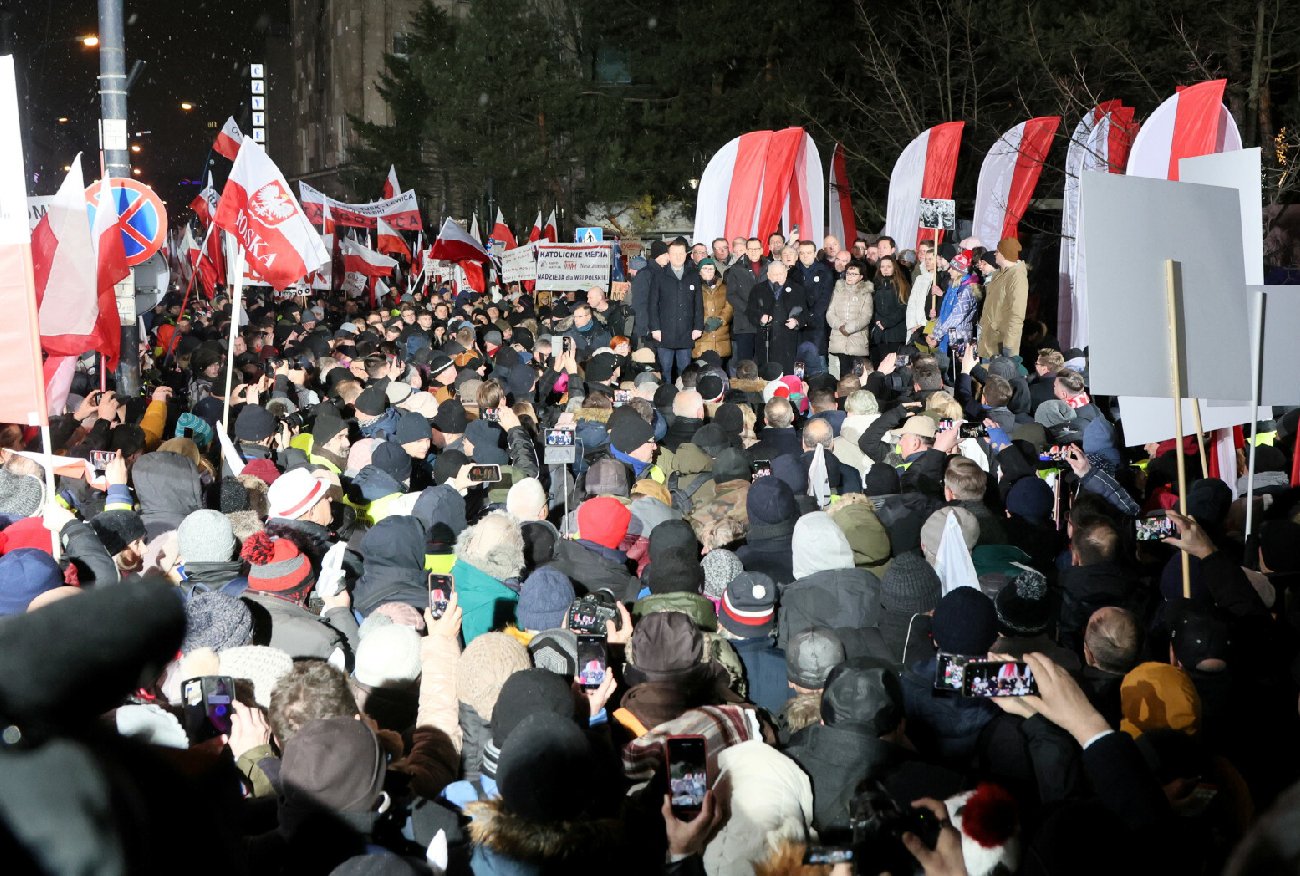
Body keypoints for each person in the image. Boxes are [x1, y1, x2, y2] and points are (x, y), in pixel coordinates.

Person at [648, 238, 705, 382]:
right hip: (664, 333)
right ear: (668, 255)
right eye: (674, 254)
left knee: (685, 371)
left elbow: (698, 304)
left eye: (681, 253)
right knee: (665, 370)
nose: (678, 257)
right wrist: (655, 328)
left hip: (686, 332)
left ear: (686, 255)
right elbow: (652, 304)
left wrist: (698, 327)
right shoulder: (659, 275)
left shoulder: (693, 276)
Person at [746, 260, 808, 373]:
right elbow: (750, 312)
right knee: (767, 373)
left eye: (781, 274)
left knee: (788, 374)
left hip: (789, 341)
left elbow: (805, 313)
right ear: (768, 275)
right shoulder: (758, 289)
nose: (778, 277)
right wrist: (760, 318)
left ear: (786, 273)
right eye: (774, 274)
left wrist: (796, 321)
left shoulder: (797, 290)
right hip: (766, 341)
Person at [977, 237, 1029, 359]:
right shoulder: (998, 274)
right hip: (989, 342)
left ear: (1005, 254)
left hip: (1000, 346)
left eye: (997, 251)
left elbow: (1017, 314)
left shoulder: (1017, 277)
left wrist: (1008, 347)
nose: (995, 254)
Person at [825, 259, 874, 376]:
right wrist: (839, 326)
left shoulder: (866, 293)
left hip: (857, 342)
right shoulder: (837, 291)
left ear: (861, 277)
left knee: (856, 377)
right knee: (837, 376)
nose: (850, 276)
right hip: (838, 339)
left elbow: (866, 316)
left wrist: (848, 328)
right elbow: (830, 313)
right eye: (848, 273)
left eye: (854, 274)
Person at [725, 237, 766, 367]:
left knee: (764, 362)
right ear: (746, 251)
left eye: (756, 249)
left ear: (762, 250)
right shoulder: (736, 269)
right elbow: (731, 295)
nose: (754, 252)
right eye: (751, 249)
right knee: (745, 364)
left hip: (765, 323)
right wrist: (750, 310)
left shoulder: (769, 266)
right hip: (744, 323)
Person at [870, 254, 911, 363]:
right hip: (880, 334)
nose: (885, 269)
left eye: (889, 266)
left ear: (894, 268)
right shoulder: (875, 285)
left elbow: (903, 308)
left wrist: (886, 322)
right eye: (883, 266)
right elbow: (872, 307)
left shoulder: (902, 285)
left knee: (894, 366)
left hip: (896, 334)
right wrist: (878, 321)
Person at [692, 258, 733, 365]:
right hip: (702, 336)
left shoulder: (724, 287)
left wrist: (721, 320)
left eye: (711, 269)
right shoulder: (694, 287)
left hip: (721, 336)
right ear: (699, 271)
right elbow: (691, 308)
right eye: (705, 268)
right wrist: (705, 320)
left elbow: (729, 306)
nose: (708, 271)